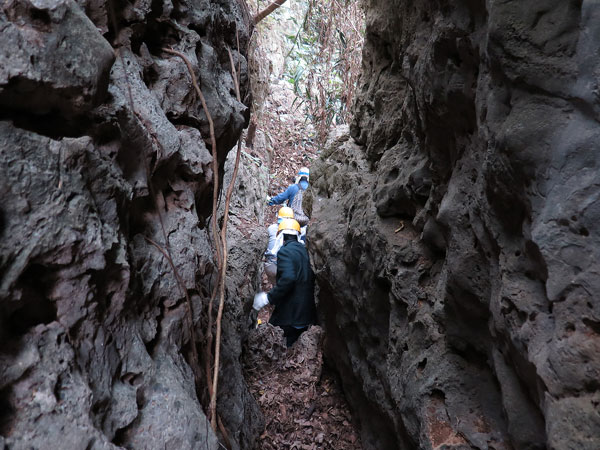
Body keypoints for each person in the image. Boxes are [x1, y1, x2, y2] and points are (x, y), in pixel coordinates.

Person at [253, 218, 316, 346]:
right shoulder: (303, 250)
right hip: (305, 313)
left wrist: (268, 297)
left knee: (271, 339)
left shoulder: (285, 252)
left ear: (281, 236)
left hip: (290, 316)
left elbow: (288, 278)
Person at [264, 206, 295, 285]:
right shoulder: (292, 231)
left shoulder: (271, 228)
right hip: (284, 266)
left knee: (276, 287)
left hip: (270, 265)